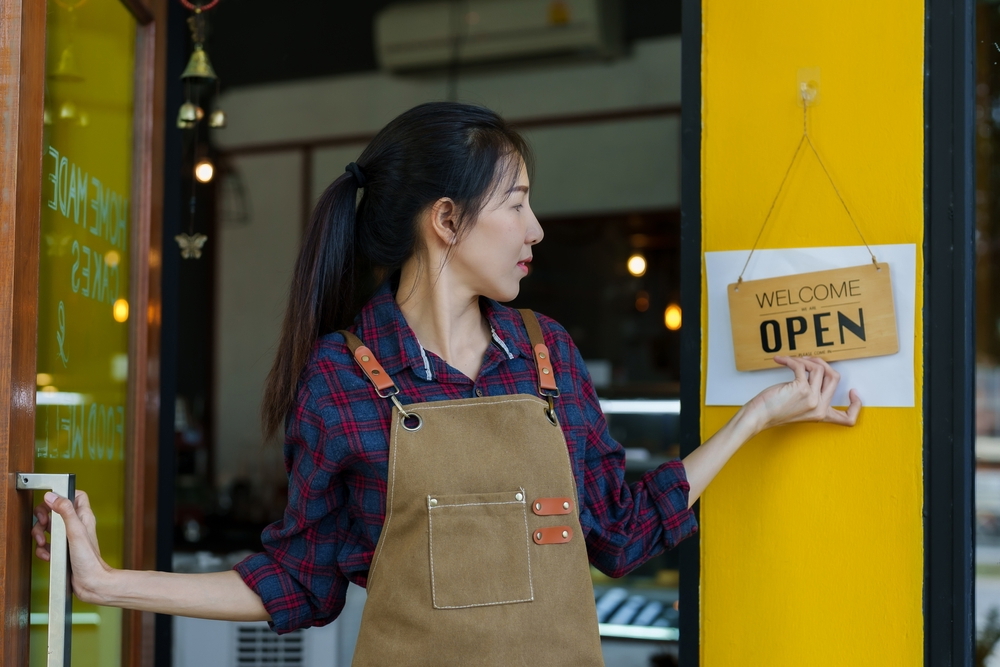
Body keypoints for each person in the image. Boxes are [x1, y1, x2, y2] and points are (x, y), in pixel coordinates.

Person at [32, 102, 861, 665]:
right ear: (448, 221)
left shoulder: (548, 356)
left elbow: (620, 532)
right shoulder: (342, 379)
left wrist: (756, 416)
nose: (536, 230)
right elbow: (298, 580)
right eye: (519, 205)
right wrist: (107, 581)